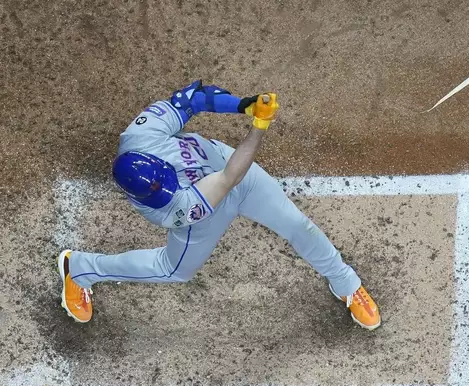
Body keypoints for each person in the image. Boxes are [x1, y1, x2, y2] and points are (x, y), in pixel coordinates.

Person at [56, 80, 381, 330]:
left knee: (298, 224)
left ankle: (346, 283)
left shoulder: (141, 136)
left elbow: (192, 97)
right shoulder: (170, 208)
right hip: (213, 202)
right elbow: (229, 178)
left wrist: (244, 105)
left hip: (227, 163)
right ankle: (80, 268)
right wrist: (259, 126)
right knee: (172, 270)